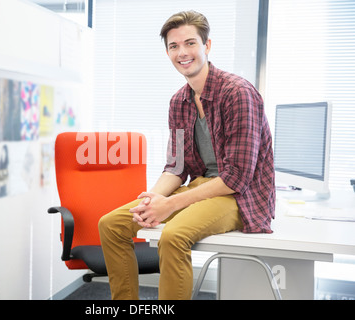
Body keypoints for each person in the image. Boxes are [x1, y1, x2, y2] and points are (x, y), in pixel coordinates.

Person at [98, 10, 275, 300]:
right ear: (167, 52)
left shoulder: (238, 93)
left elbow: (236, 178)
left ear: (206, 46)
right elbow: (176, 167)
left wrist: (170, 205)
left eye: (190, 43)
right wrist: (153, 199)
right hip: (203, 187)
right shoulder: (179, 101)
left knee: (173, 235)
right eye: (174, 46)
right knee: (111, 224)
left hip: (240, 196)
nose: (182, 52)